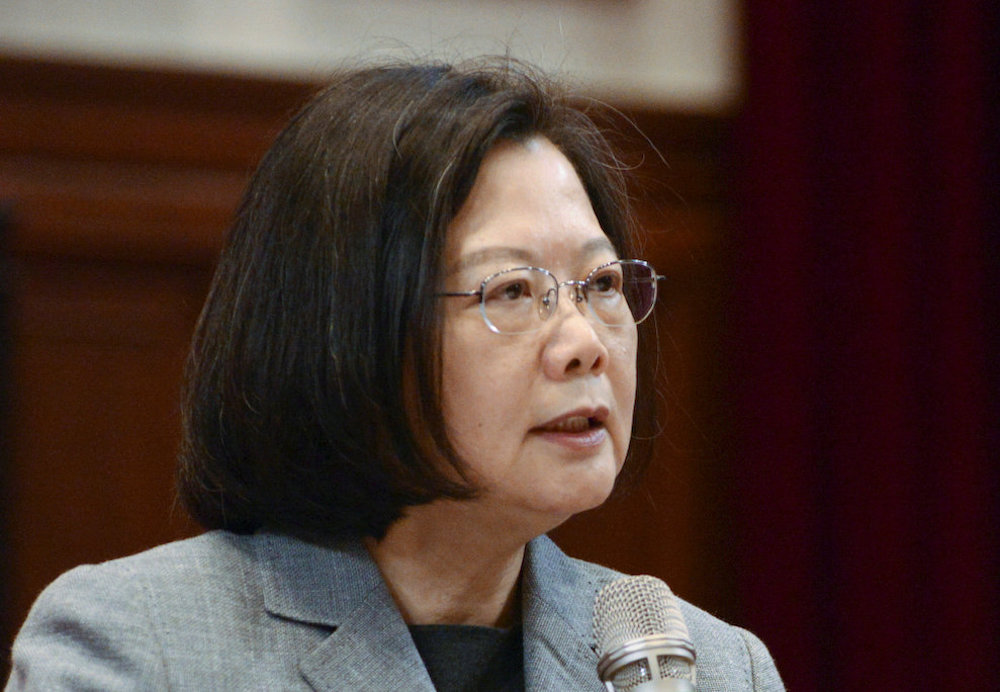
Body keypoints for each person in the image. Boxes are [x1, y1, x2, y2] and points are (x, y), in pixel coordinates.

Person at [5, 58, 783, 691]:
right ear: (346, 327)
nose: (585, 342)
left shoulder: (712, 670)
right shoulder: (141, 648)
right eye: (512, 292)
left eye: (602, 285)